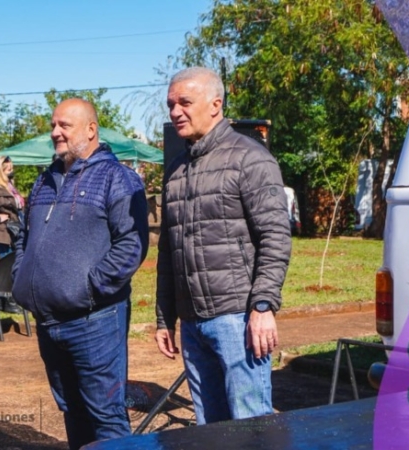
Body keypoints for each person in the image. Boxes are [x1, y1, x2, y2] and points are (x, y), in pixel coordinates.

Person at [155, 67, 292, 425]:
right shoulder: (175, 170)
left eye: (185, 102)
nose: (175, 112)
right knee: (210, 430)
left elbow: (275, 237)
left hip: (238, 320)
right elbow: (168, 253)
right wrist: (164, 316)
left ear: (215, 104)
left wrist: (263, 306)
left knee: (251, 428)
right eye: (170, 104)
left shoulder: (250, 158)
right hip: (192, 323)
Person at [12, 98, 149, 450]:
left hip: (95, 320)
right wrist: (22, 279)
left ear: (91, 130)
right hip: (49, 321)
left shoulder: (119, 178)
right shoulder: (45, 180)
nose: (55, 132)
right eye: (53, 125)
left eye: (64, 126)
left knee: (106, 415)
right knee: (72, 410)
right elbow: (24, 238)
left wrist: (88, 288)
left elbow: (131, 245)